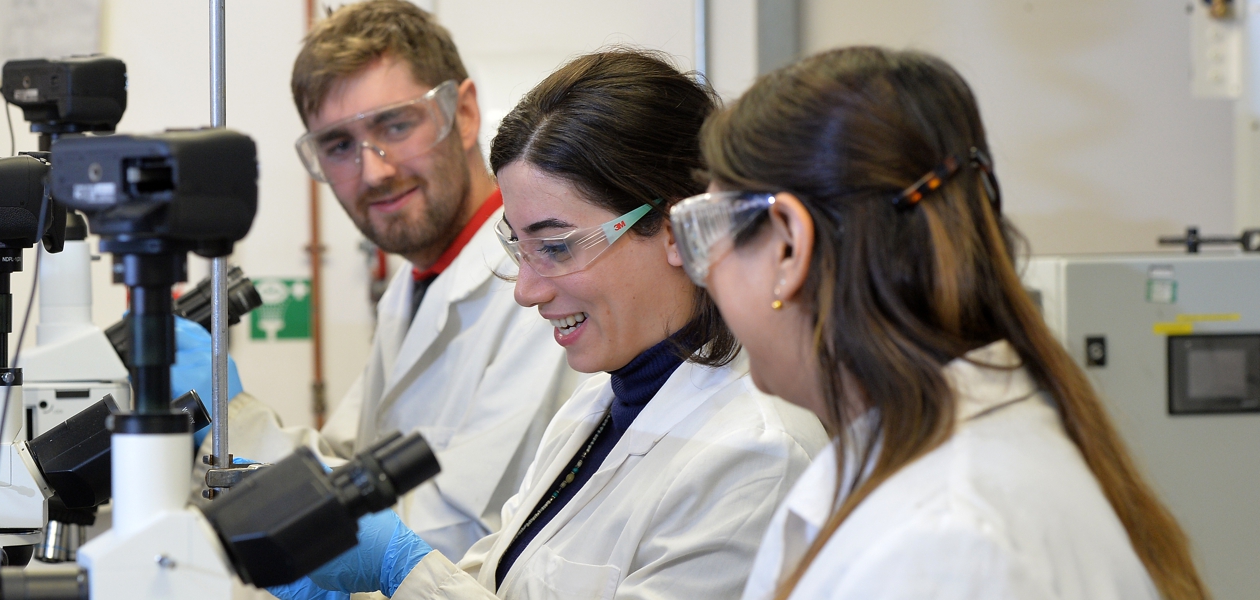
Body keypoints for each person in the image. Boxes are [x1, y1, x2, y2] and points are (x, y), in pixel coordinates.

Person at [270, 49, 827, 600]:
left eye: (557, 247)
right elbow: (490, 586)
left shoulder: (754, 457)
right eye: (519, 246)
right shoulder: (591, 410)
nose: (526, 290)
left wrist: (400, 568)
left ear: (678, 228)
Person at [665, 46, 1209, 599]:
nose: (700, 270)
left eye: (708, 230)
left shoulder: (947, 544)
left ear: (788, 246)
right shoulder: (943, 467)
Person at [280, 0, 576, 559]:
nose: (374, 170)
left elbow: (467, 529)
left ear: (463, 114)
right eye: (339, 146)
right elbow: (345, 457)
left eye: (395, 124)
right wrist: (219, 420)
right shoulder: (415, 282)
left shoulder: (543, 281)